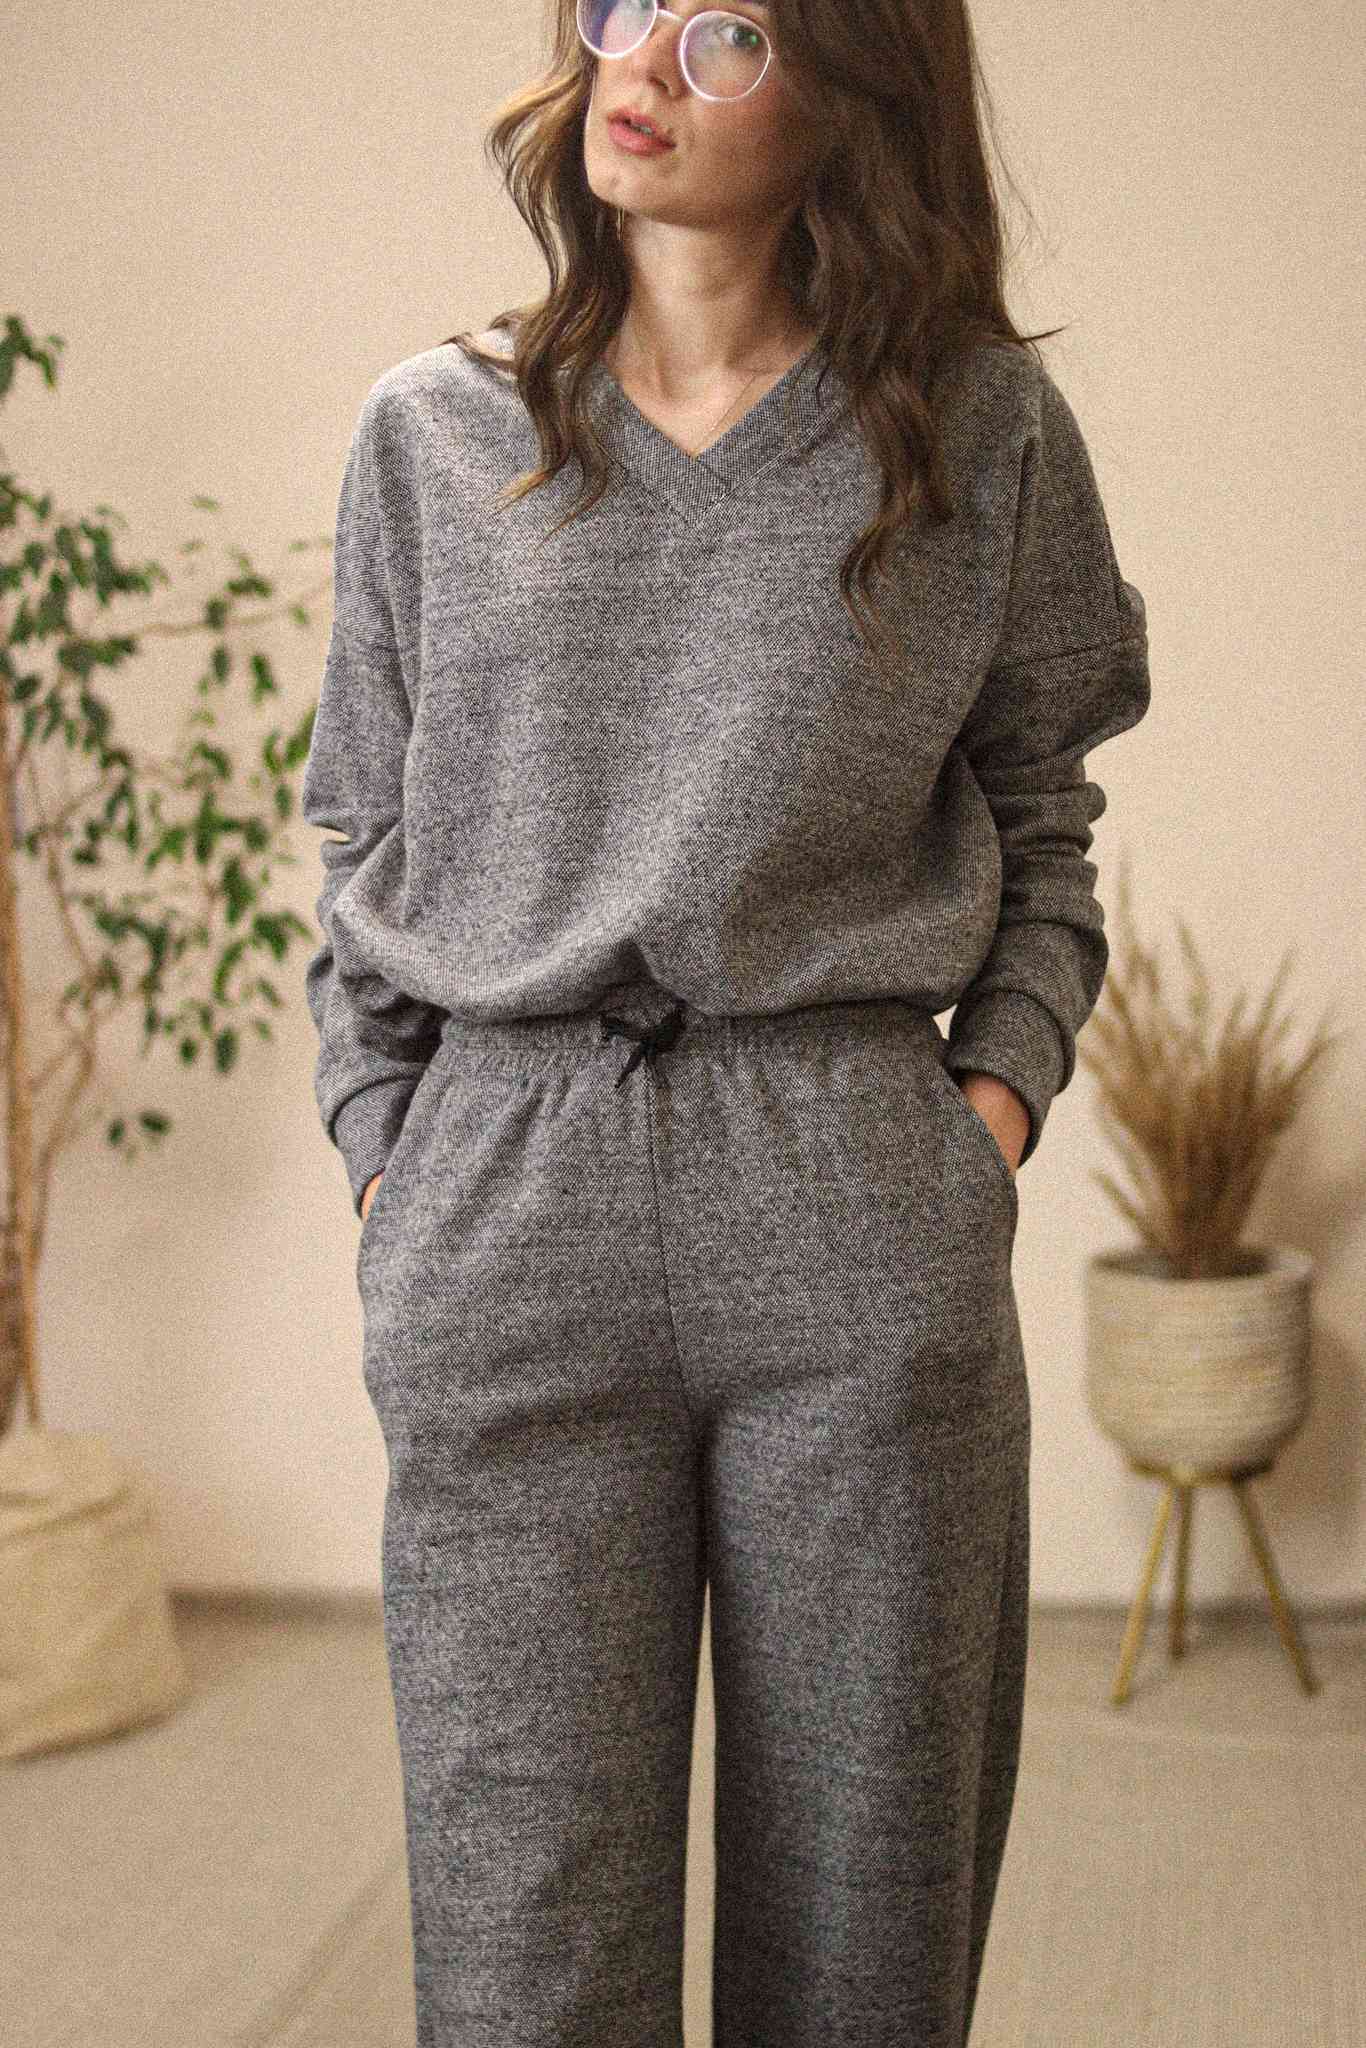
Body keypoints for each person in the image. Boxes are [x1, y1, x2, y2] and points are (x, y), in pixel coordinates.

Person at [301, 2, 1151, 2042]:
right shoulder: (430, 432)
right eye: (620, 11)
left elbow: (1043, 813)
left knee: (866, 1934)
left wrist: (984, 1110)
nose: (640, 67)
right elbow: (364, 832)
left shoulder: (976, 429)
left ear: (854, 89)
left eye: (727, 33)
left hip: (847, 1191)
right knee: (523, 1952)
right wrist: (388, 1153)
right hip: (506, 1197)